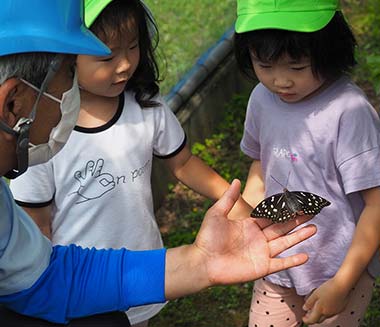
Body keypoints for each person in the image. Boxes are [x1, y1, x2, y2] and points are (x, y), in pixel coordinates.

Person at [0, 0, 319, 325]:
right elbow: (42, 247)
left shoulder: (145, 108)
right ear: (12, 103)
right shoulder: (39, 157)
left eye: (133, 47)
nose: (124, 65)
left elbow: (48, 276)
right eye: (68, 73)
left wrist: (202, 260)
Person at [233, 0, 380, 325]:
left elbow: (376, 205)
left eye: (296, 67)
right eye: (264, 65)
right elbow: (262, 163)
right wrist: (248, 219)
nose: (280, 81)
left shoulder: (349, 112)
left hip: (340, 271)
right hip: (278, 262)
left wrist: (342, 282)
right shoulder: (261, 99)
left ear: (330, 49)